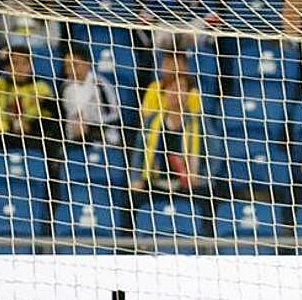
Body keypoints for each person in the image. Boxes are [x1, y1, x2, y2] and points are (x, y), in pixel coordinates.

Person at [134, 53, 204, 194]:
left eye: (181, 88)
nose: (176, 93)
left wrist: (203, 177)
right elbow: (139, 150)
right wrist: (136, 178)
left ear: (188, 92)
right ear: (164, 92)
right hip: (154, 183)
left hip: (187, 185)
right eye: (171, 88)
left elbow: (213, 150)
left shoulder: (197, 121)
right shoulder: (152, 120)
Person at [0, 48, 57, 151]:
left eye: (24, 63)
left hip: (30, 135)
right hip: (0, 134)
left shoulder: (41, 86)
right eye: (15, 63)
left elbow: (51, 116)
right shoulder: (1, 83)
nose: (20, 68)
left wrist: (31, 126)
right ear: (8, 67)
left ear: (31, 66)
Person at [60, 44, 121, 146]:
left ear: (87, 64)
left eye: (74, 65)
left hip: (103, 136)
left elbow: (114, 117)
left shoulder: (101, 85)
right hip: (74, 137)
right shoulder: (65, 87)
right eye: (67, 66)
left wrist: (90, 126)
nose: (70, 70)